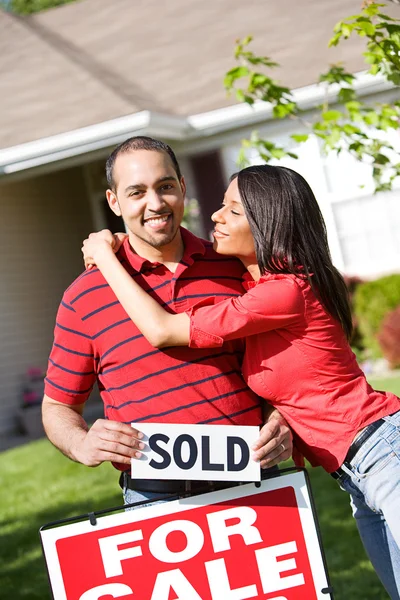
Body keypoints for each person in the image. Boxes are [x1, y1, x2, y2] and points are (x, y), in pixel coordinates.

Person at [82, 164, 400, 598]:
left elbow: (163, 330)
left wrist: (105, 256)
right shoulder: (261, 289)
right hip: (356, 473)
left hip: (384, 455)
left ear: (265, 223)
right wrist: (129, 242)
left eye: (232, 211)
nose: (215, 216)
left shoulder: (284, 292)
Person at [42, 136, 292, 510]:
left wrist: (281, 419)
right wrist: (80, 443)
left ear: (183, 188)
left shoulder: (234, 266)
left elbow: (284, 364)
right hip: (153, 491)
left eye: (165, 187)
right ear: (114, 202)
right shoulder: (84, 296)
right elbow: (57, 406)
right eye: (137, 192)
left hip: (251, 473)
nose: (155, 204)